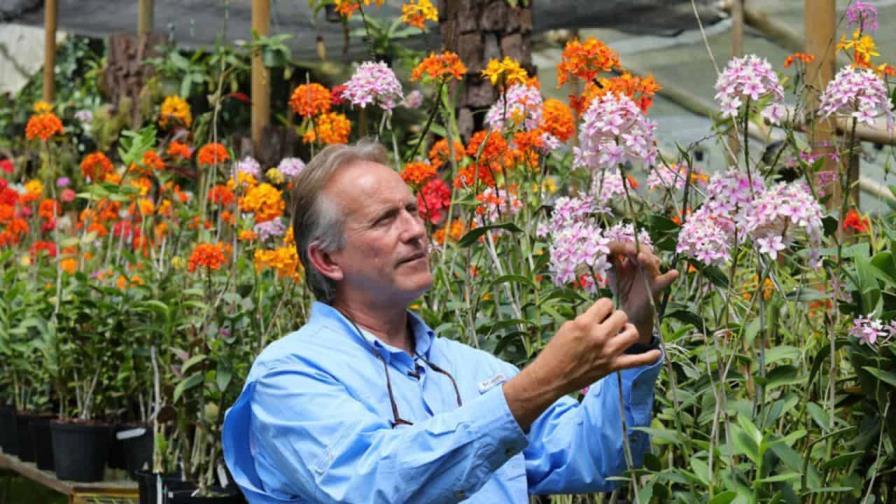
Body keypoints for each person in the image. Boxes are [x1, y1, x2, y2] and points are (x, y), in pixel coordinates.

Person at [222, 141, 678, 503]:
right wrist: (540, 383)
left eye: (413, 210)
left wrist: (633, 328)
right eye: (385, 219)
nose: (416, 230)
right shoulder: (289, 374)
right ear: (327, 259)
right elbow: (374, 486)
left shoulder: (475, 370)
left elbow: (596, 460)